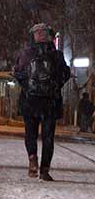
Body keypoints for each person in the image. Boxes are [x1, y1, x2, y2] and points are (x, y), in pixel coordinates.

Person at [13, 23, 70, 181]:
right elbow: (65, 74)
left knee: (30, 134)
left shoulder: (26, 54)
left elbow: (18, 73)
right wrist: (54, 86)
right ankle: (45, 170)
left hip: (30, 101)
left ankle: (32, 159)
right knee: (48, 136)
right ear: (49, 36)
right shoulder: (57, 55)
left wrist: (28, 87)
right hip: (50, 102)